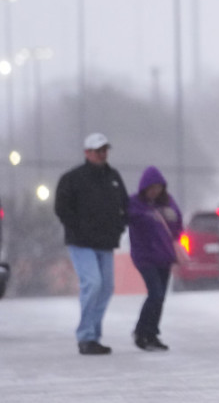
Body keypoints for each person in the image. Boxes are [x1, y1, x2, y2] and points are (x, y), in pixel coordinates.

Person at [54, 132, 129, 355]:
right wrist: (77, 228)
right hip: (81, 242)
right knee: (93, 284)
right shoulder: (72, 178)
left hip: (106, 242)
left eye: (105, 150)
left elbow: (124, 204)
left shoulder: (113, 177)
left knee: (106, 288)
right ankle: (86, 336)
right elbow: (62, 208)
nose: (103, 154)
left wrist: (120, 225)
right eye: (98, 151)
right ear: (87, 153)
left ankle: (93, 335)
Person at [127, 166, 183, 351]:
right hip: (145, 257)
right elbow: (129, 218)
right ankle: (141, 332)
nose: (154, 191)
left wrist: (172, 218)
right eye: (151, 187)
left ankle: (152, 334)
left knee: (159, 297)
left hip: (164, 256)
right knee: (155, 294)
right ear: (144, 187)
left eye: (158, 187)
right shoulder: (135, 203)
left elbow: (177, 226)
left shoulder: (168, 203)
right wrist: (146, 215)